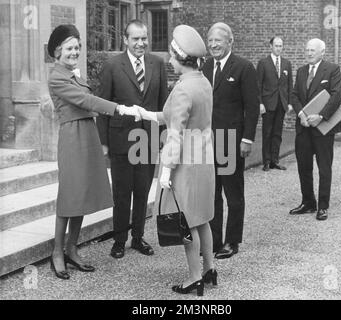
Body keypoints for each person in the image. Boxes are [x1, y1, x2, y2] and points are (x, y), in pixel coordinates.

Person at [47, 24, 140, 280]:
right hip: (72, 137)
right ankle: (57, 252)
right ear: (57, 51)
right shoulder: (57, 76)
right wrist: (119, 109)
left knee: (83, 193)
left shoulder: (73, 74)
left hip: (86, 133)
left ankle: (71, 248)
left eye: (77, 47)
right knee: (69, 195)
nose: (74, 52)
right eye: (69, 48)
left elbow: (87, 101)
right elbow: (86, 101)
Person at [137, 24, 216, 296]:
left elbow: (175, 134)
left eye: (172, 56)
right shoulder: (202, 81)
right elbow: (181, 117)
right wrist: (148, 115)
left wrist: (166, 171)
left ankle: (194, 277)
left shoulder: (183, 89)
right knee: (203, 218)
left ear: (182, 59)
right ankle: (209, 269)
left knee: (185, 222)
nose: (169, 60)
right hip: (204, 159)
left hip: (185, 165)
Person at [96, 20, 168, 259]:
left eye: (144, 38)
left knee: (143, 191)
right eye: (135, 39)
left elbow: (163, 104)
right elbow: (103, 105)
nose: (141, 43)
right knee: (122, 193)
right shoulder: (112, 66)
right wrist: (104, 142)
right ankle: (119, 240)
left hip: (148, 141)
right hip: (121, 140)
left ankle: (138, 237)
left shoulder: (157, 63)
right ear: (125, 40)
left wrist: (163, 136)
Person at [202, 23, 259, 259]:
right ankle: (214, 240)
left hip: (232, 142)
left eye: (218, 40)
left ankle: (232, 241)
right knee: (211, 193)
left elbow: (252, 107)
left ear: (230, 41)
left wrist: (247, 139)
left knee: (233, 194)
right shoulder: (205, 66)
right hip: (207, 142)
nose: (213, 45)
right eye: (210, 40)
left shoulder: (244, 67)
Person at [290, 38, 341, 221]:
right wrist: (301, 114)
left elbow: (337, 95)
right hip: (304, 127)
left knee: (324, 167)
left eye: (313, 50)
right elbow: (295, 95)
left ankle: (322, 206)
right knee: (304, 166)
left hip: (323, 128)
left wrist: (320, 116)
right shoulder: (301, 71)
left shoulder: (332, 69)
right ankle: (308, 202)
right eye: (307, 50)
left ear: (322, 52)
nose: (309, 53)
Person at [257, 36, 293, 171]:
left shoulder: (286, 64)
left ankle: (275, 160)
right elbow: (258, 85)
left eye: (281, 46)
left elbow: (289, 84)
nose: (279, 48)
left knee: (277, 133)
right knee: (267, 133)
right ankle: (266, 161)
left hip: (281, 103)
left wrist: (289, 103)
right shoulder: (263, 63)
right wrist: (260, 103)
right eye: (276, 46)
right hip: (268, 103)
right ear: (270, 47)